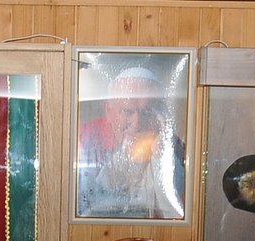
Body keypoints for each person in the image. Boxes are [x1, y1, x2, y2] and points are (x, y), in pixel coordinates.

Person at [75, 67, 185, 220]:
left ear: (161, 117)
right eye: (126, 112)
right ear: (108, 111)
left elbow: (176, 216)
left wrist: (161, 156)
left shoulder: (179, 153)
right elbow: (87, 210)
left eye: (147, 112)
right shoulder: (87, 146)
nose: (137, 124)